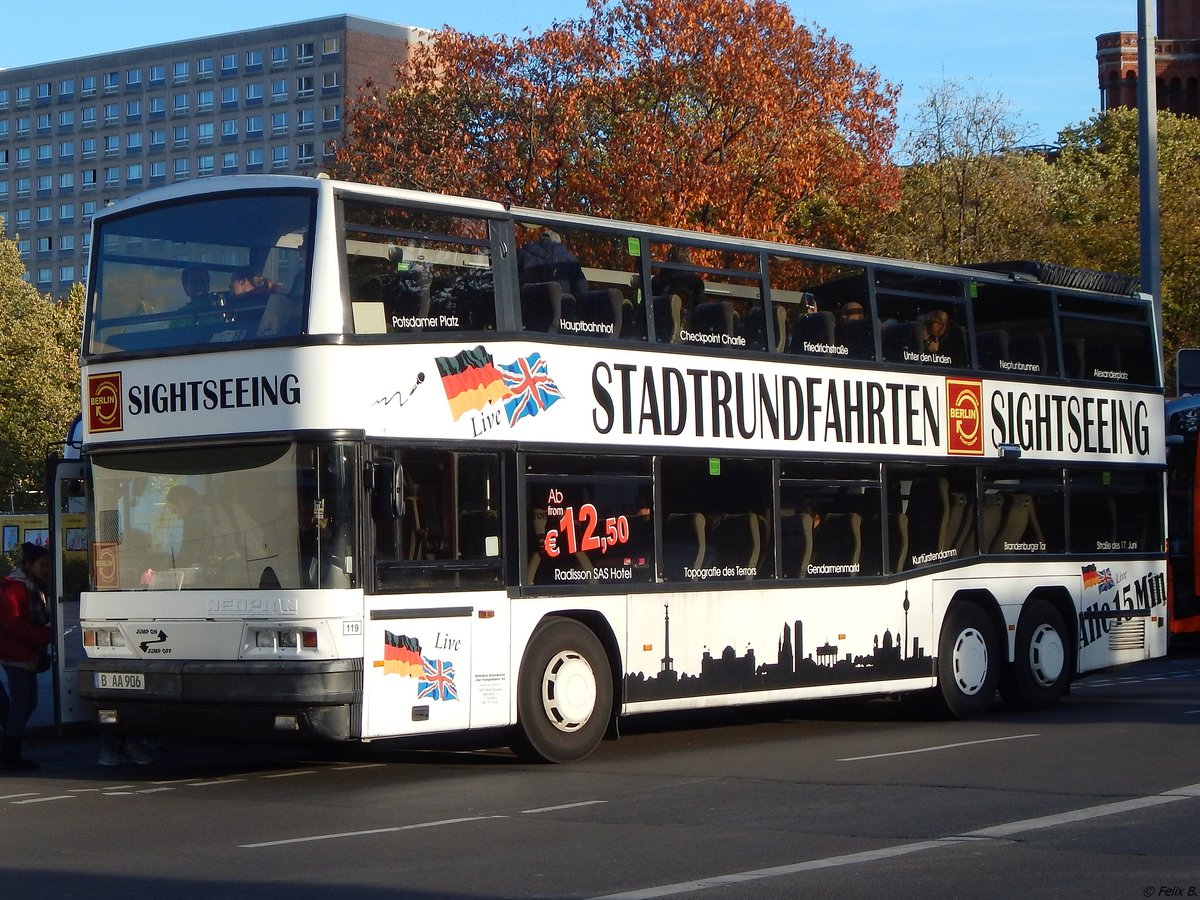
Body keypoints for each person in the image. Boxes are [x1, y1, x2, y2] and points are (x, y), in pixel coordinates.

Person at [0, 542, 53, 771]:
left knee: (26, 703)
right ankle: (11, 753)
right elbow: (12, 624)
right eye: (43, 565)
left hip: (22, 651)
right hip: (16, 652)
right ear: (30, 565)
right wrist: (43, 636)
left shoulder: (31, 586)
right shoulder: (18, 588)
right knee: (23, 704)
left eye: (48, 565)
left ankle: (12, 747)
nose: (46, 569)